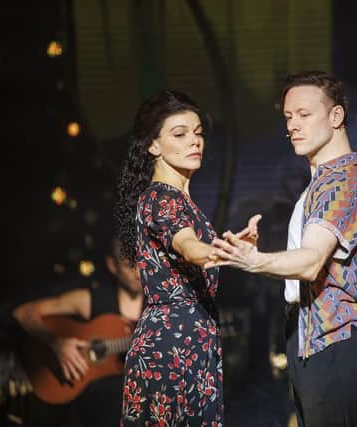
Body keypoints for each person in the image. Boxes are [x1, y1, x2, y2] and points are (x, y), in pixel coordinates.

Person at [206, 71, 357, 427]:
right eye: (289, 117)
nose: (293, 125)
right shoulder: (318, 186)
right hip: (313, 339)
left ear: (335, 116)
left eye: (304, 115)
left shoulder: (344, 181)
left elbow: (310, 263)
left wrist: (254, 260)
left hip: (338, 339)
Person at [115, 90, 230, 426]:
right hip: (171, 345)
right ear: (153, 145)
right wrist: (220, 251)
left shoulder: (181, 200)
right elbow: (188, 246)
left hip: (192, 339)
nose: (194, 142)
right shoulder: (160, 199)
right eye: (179, 134)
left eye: (198, 133)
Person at [12, 238, 144, 427]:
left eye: (140, 261)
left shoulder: (158, 310)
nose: (137, 271)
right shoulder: (91, 300)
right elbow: (23, 313)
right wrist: (57, 343)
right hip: (85, 413)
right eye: (128, 263)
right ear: (112, 265)